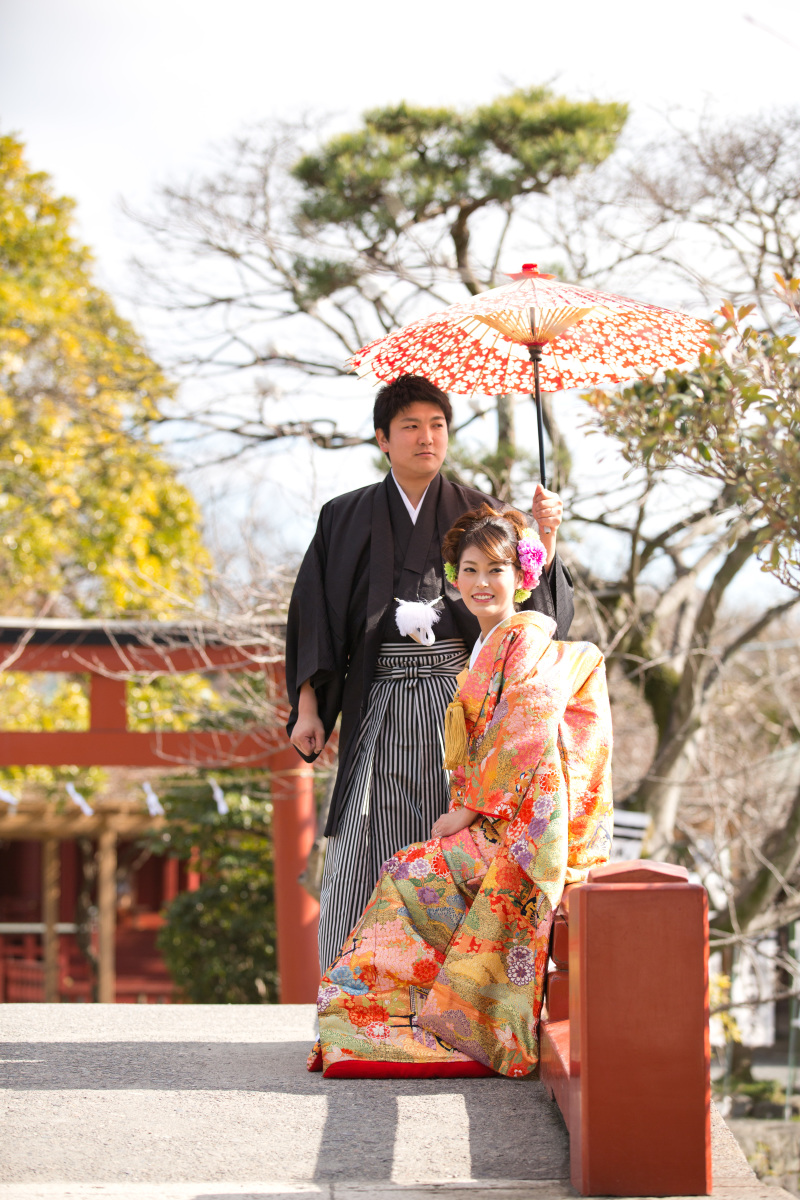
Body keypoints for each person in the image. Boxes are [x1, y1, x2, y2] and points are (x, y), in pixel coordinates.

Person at [310, 504, 613, 1078]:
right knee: (407, 871)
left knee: (409, 875)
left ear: (524, 576)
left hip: (523, 827)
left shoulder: (523, 638)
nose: (480, 583)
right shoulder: (486, 642)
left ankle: (416, 1023)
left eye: (496, 570)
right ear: (453, 578)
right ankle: (397, 1019)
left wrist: (469, 811)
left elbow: (527, 724)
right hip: (503, 810)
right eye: (469, 570)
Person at [285, 374, 574, 972]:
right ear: (382, 439)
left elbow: (530, 609)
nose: (426, 438)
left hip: (459, 704)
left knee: (458, 839)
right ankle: (352, 987)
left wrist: (543, 536)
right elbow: (313, 612)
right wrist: (309, 705)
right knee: (363, 837)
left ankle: (444, 994)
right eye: (411, 427)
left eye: (437, 425)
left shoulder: (481, 513)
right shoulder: (343, 517)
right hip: (379, 700)